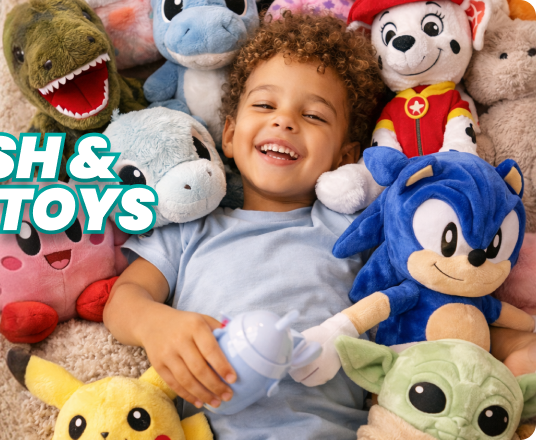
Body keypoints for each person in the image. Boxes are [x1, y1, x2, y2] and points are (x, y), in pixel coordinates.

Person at [103, 11, 385, 439]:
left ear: (345, 157)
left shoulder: (352, 230)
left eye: (313, 115)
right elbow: (122, 300)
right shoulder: (190, 229)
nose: (284, 121)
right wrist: (155, 325)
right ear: (230, 135)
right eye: (265, 105)